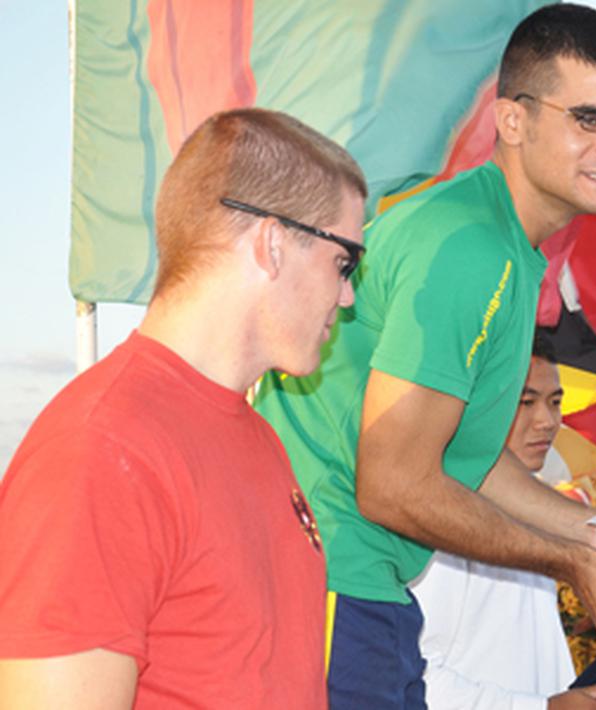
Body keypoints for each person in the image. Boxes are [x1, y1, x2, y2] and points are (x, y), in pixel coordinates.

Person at [253, 5, 596, 707]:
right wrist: (572, 562)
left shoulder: (500, 243)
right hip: (325, 579)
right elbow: (393, 485)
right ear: (511, 121)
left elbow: (457, 461)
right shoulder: (469, 248)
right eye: (588, 119)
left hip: (361, 583)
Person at [0, 108, 366, 708]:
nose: (348, 295)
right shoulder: (102, 449)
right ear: (272, 243)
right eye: (345, 261)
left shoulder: (258, 440)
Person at [412, 332, 596, 710]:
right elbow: (410, 674)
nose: (547, 422)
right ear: (473, 406)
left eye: (555, 402)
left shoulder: (535, 513)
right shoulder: (442, 517)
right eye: (525, 402)